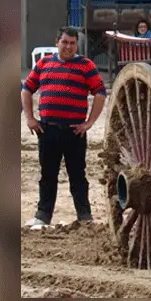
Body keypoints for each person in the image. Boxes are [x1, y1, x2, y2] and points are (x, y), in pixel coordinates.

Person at [21, 27, 107, 227]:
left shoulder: (86, 66)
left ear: (77, 45)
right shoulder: (44, 64)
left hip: (74, 131)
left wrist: (90, 123)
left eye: (72, 43)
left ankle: (85, 217)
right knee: (47, 175)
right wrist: (30, 118)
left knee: (78, 176)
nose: (68, 47)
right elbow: (27, 89)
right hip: (47, 130)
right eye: (65, 42)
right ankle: (42, 216)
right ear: (57, 42)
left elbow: (100, 92)